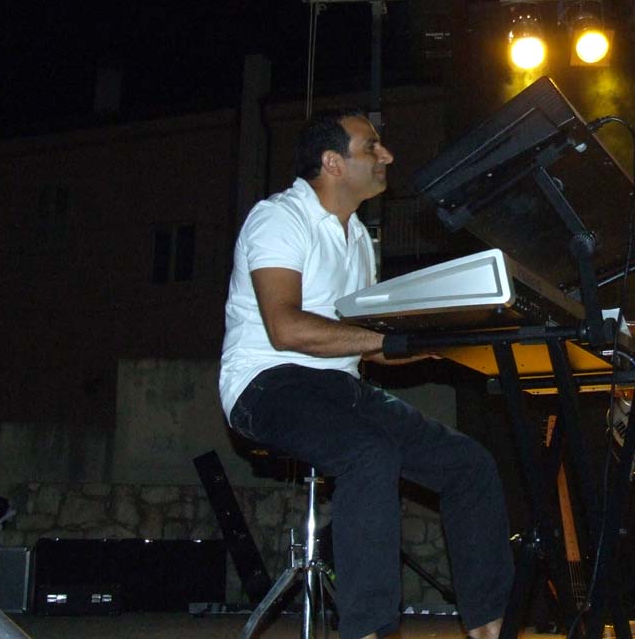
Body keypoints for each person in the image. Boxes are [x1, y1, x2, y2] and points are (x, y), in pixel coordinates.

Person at [219, 108, 513, 639]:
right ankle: (369, 631)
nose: (387, 156)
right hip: (266, 383)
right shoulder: (279, 218)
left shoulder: (357, 237)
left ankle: (488, 630)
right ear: (332, 162)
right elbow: (285, 327)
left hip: (342, 387)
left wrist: (442, 343)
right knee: (369, 453)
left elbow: (371, 347)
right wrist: (386, 340)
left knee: (469, 465)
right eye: (372, 147)